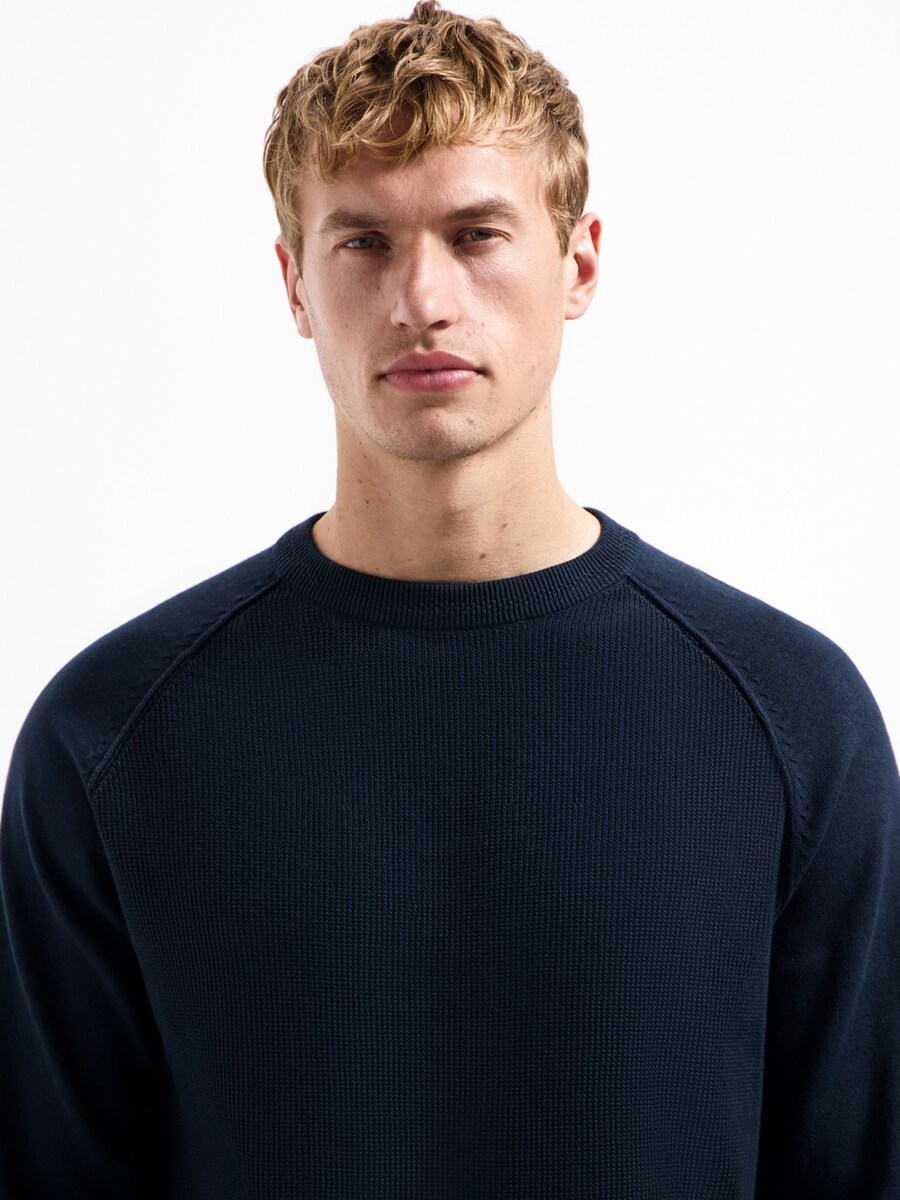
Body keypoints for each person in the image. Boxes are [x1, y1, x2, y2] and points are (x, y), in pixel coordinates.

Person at [1, 1, 897, 1195]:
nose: (422, 298)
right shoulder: (110, 742)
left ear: (579, 264)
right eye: (364, 242)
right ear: (294, 283)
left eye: (477, 235)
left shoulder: (791, 726)